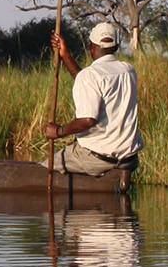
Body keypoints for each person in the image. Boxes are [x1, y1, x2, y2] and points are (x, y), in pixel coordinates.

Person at [42, 23, 141, 176]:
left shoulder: (90, 76)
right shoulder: (127, 70)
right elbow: (89, 81)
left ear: (91, 46)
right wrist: (65, 55)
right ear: (115, 47)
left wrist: (58, 131)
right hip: (128, 158)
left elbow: (88, 120)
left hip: (99, 159)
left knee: (43, 169)